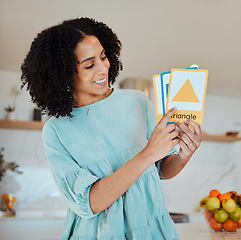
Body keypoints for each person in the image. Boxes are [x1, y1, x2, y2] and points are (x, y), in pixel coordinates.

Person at [21, 17, 202, 240]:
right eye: (89, 65)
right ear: (63, 73)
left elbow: (161, 171)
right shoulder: (56, 131)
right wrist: (147, 154)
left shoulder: (138, 102)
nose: (103, 68)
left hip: (151, 228)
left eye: (104, 57)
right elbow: (89, 203)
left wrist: (184, 155)